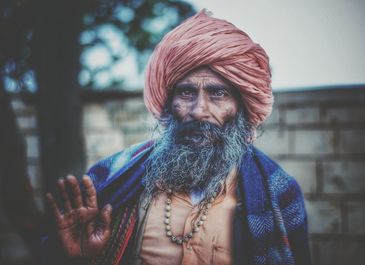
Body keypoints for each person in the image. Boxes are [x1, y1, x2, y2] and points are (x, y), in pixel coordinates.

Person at [42, 10, 311, 265]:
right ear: (169, 104)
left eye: (218, 94)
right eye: (186, 93)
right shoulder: (111, 178)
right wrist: (79, 257)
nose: (199, 111)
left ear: (240, 107)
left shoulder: (278, 191)